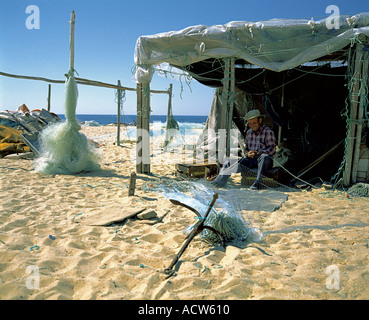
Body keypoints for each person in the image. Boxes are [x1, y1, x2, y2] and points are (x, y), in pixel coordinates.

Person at [212, 109, 276, 190]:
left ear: (260, 120)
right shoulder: (249, 133)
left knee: (264, 157)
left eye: (254, 123)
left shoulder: (268, 132)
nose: (252, 125)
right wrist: (247, 153)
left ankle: (257, 183)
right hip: (251, 161)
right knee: (229, 162)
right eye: (249, 123)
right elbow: (246, 150)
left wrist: (257, 153)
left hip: (264, 162)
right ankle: (218, 183)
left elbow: (272, 150)